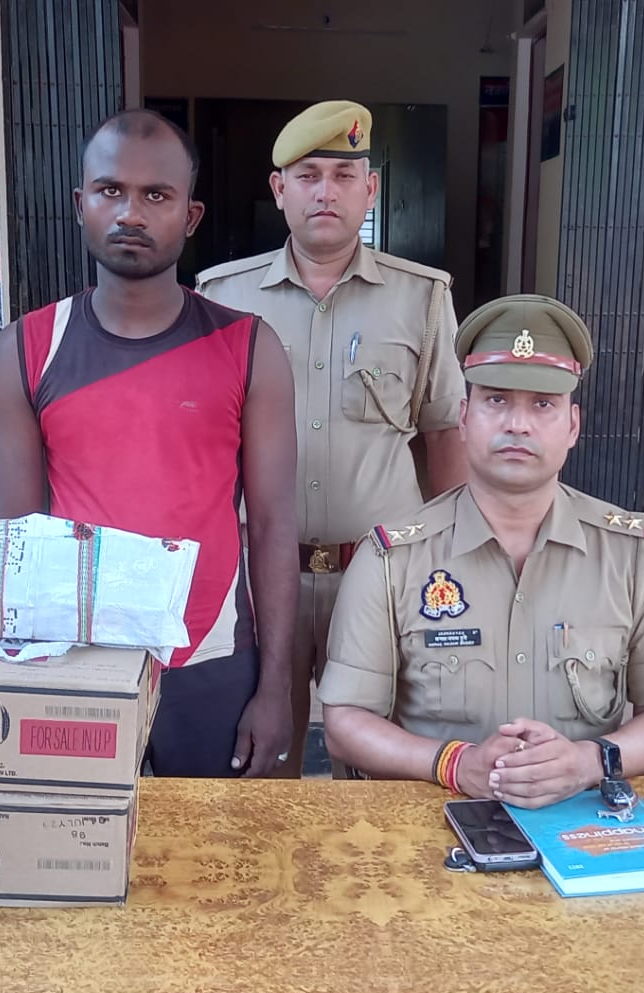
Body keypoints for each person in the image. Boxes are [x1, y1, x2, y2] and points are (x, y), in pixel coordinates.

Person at [0, 109, 297, 778]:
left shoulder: (247, 347)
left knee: (212, 844)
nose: (131, 213)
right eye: (110, 191)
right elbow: (15, 537)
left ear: (191, 215)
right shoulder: (27, 349)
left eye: (156, 195)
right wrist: (14, 678)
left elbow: (273, 526)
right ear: (80, 204)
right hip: (72, 660)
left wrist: (276, 685)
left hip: (211, 656)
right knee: (77, 843)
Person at [319, 295, 644, 807]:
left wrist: (589, 761)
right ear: (463, 417)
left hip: (581, 822)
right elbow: (345, 723)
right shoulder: (392, 559)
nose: (517, 424)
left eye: (542, 404)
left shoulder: (632, 555)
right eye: (496, 400)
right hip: (436, 820)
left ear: (573, 426)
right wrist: (456, 765)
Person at [198, 101, 468, 777]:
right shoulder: (221, 300)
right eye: (308, 175)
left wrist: (457, 560)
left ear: (370, 189)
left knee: (381, 773)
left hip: (382, 577)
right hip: (261, 581)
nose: (326, 191)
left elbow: (444, 434)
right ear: (278, 189)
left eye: (344, 175)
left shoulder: (421, 298)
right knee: (261, 768)